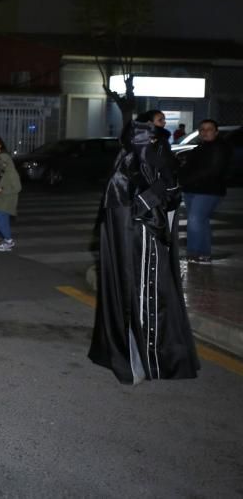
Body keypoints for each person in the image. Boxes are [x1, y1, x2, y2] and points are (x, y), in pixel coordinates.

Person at [89, 112, 198, 384]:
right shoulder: (128, 164)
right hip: (138, 238)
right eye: (146, 138)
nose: (150, 142)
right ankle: (144, 357)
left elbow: (169, 191)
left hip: (152, 236)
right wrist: (155, 196)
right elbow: (124, 205)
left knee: (157, 292)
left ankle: (158, 356)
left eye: (153, 137)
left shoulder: (152, 158)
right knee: (142, 294)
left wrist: (165, 190)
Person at [179, 119, 232, 263]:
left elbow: (212, 170)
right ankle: (204, 253)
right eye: (202, 129)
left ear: (216, 132)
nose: (205, 132)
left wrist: (185, 179)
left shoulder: (220, 147)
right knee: (200, 221)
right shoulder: (201, 146)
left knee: (195, 220)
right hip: (192, 189)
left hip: (208, 190)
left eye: (209, 129)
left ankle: (194, 253)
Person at [0, 136, 21, 252]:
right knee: (3, 218)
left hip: (9, 195)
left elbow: (17, 186)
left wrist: (3, 189)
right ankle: (7, 241)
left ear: (0, 145)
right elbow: (1, 174)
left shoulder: (3, 158)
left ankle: (9, 241)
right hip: (3, 194)